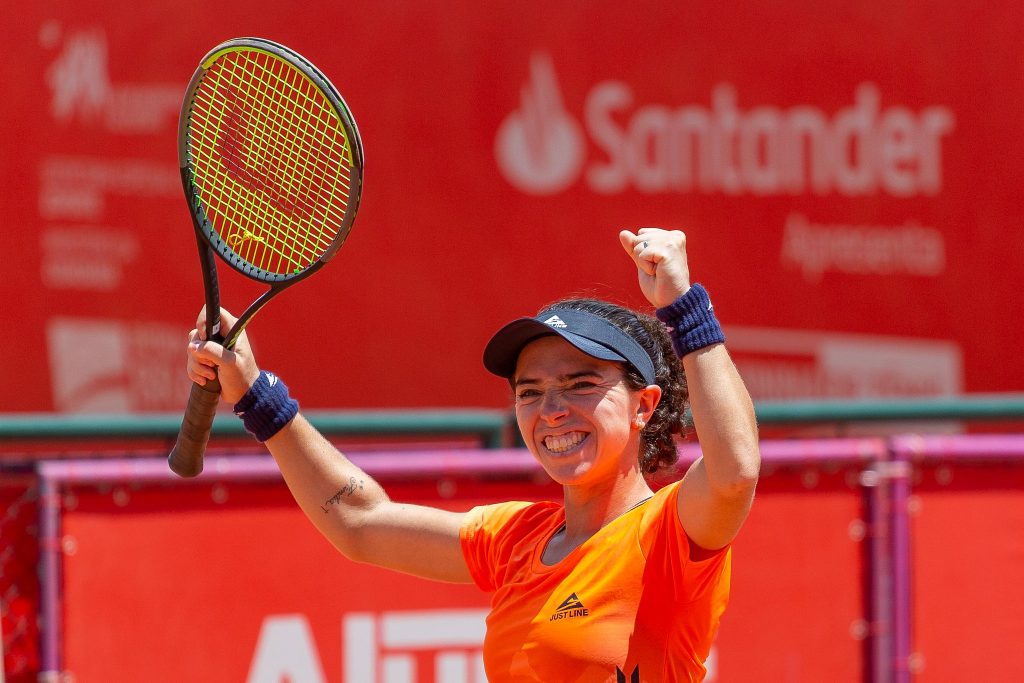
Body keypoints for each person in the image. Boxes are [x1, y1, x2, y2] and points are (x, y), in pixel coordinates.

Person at [185, 227, 760, 682]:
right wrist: (256, 394)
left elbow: (734, 474)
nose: (551, 409)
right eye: (529, 392)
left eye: (581, 384)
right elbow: (360, 523)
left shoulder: (667, 534)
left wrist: (685, 307)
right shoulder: (516, 540)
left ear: (643, 406)